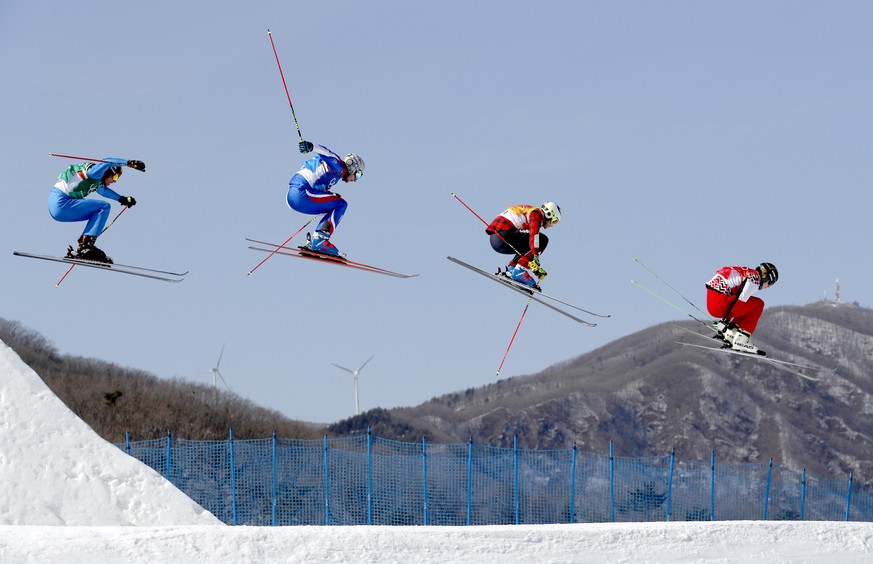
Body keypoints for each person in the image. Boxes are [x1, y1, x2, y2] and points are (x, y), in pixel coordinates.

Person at [48, 158, 145, 263]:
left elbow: (103, 191)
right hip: (62, 202)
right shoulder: (94, 172)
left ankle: (85, 246)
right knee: (104, 207)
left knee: (97, 211)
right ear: (109, 172)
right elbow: (107, 161)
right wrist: (128, 163)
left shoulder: (97, 181)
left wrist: (122, 199)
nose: (114, 181)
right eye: (115, 176)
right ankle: (86, 247)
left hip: (58, 207)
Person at [287, 140, 365, 257]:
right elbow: (326, 152)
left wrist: (329, 195)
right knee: (341, 205)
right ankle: (320, 241)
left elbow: (316, 181)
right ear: (352, 166)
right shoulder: (338, 166)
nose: (355, 180)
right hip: (301, 193)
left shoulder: (334, 174)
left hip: (292, 197)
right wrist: (311, 146)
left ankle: (317, 241)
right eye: (358, 174)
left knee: (334, 205)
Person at [705, 262, 779, 354]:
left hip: (713, 301)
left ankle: (732, 333)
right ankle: (741, 340)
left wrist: (727, 324)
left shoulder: (747, 272)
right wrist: (726, 320)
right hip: (720, 303)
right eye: (770, 283)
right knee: (758, 304)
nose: (768, 287)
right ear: (766, 277)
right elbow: (742, 299)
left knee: (747, 306)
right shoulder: (755, 278)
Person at [485, 202, 561, 287]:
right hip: (503, 235)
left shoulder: (531, 211)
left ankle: (513, 269)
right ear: (549, 214)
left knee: (528, 244)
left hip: (496, 239)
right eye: (554, 221)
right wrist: (535, 256)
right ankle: (519, 271)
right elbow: (534, 235)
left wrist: (533, 259)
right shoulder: (536, 214)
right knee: (542, 240)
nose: (552, 225)